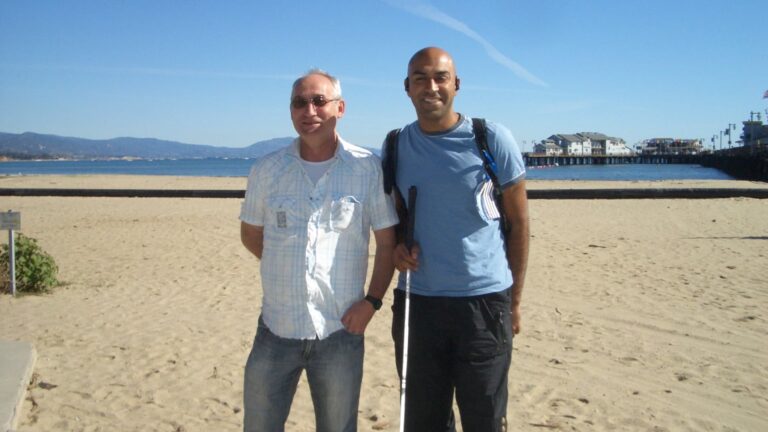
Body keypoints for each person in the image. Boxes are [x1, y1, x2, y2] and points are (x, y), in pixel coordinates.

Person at [239, 69, 398, 432]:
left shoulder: (367, 168)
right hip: (275, 330)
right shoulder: (267, 170)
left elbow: (387, 242)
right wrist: (288, 265)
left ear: (340, 108)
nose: (308, 110)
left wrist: (371, 302)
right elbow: (250, 234)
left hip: (340, 332)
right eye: (299, 102)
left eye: (319, 101)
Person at [387, 47, 530, 431]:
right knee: (423, 421)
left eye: (440, 77)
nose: (430, 87)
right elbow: (396, 218)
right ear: (407, 87)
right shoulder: (395, 145)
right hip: (417, 303)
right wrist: (399, 246)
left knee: (485, 419)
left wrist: (514, 303)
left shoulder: (491, 138)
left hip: (484, 304)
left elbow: (519, 225)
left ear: (456, 84)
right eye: (420, 78)